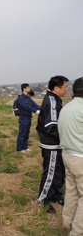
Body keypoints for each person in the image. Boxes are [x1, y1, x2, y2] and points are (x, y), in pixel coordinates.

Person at [36, 75, 69, 213]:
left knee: (58, 172)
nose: (67, 90)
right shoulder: (51, 101)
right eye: (65, 87)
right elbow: (51, 125)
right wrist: (66, 138)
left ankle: (55, 194)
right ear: (56, 88)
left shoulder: (55, 99)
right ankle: (43, 200)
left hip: (56, 144)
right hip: (52, 144)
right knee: (50, 172)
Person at [58, 77, 83, 234]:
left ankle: (67, 222)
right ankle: (77, 231)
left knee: (72, 192)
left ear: (73, 92)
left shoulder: (66, 108)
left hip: (67, 155)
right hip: (80, 156)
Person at [16, 83, 40, 153]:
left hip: (28, 117)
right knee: (22, 133)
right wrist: (35, 111)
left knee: (27, 132)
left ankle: (25, 147)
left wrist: (43, 108)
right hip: (23, 117)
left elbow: (35, 105)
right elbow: (26, 106)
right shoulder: (21, 98)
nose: (29, 88)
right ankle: (20, 148)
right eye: (28, 87)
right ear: (24, 89)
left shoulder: (28, 98)